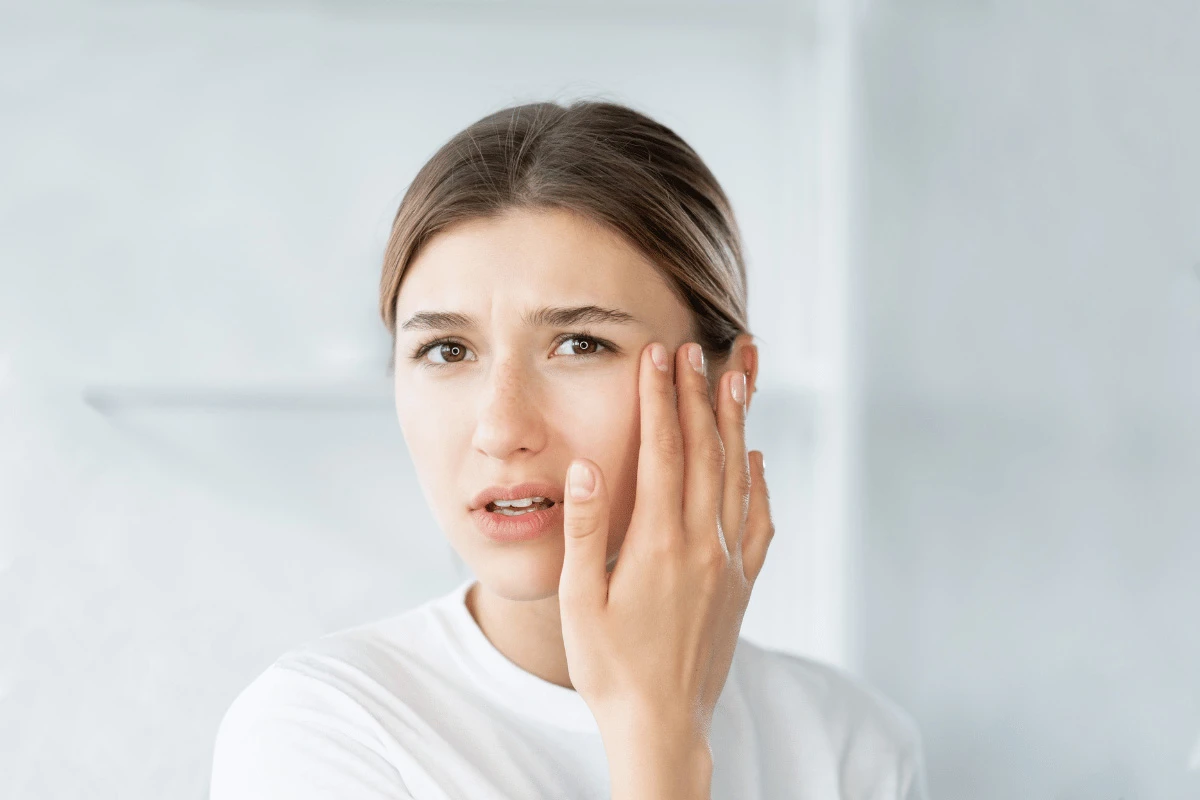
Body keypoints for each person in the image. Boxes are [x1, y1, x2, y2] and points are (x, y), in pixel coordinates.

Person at [208, 100, 928, 799]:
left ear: (727, 383)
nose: (500, 428)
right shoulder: (321, 732)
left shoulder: (848, 749)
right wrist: (659, 743)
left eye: (580, 345)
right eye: (446, 349)